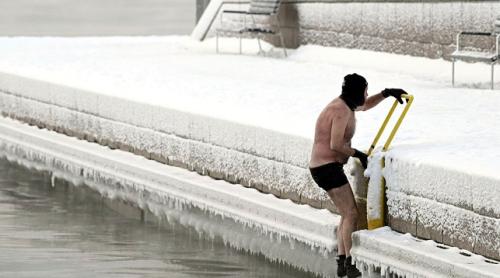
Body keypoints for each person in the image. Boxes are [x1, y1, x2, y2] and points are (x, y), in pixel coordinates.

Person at [309, 73, 406, 278]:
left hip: (326, 167)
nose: (367, 94)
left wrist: (386, 94)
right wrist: (358, 155)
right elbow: (335, 145)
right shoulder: (340, 110)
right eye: (365, 90)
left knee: (346, 214)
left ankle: (343, 261)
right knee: (351, 214)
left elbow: (366, 105)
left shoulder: (347, 105)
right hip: (326, 168)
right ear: (356, 92)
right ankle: (349, 263)